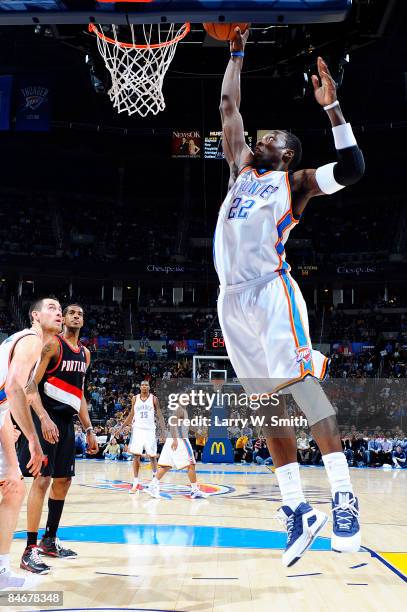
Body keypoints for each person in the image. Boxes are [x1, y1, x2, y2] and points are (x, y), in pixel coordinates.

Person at [215, 27, 364, 567]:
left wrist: (335, 110)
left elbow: (352, 170)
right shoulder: (240, 170)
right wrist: (235, 50)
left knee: (303, 389)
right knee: (265, 402)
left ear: (288, 151)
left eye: (273, 135)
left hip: (272, 292)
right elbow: (230, 104)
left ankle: (344, 495)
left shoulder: (294, 181)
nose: (262, 136)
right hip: (230, 301)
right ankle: (297, 509)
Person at [18, 303, 98, 574]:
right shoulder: (52, 345)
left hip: (66, 424)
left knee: (63, 481)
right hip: (46, 418)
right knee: (42, 481)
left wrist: (88, 430)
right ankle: (29, 550)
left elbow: (80, 395)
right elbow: (30, 387)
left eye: (81, 314)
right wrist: (43, 418)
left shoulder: (85, 354)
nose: (76, 316)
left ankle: (49, 540)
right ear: (63, 319)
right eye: (72, 313)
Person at [0, 297, 61, 589]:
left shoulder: (30, 346)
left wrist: (13, 463)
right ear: (35, 316)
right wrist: (33, 440)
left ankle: (1, 572)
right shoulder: (31, 340)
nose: (59, 312)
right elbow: (13, 387)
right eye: (52, 308)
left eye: (60, 309)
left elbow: (6, 402)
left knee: (14, 488)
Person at [143, 405, 206, 499]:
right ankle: (194, 490)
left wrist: (199, 431)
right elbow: (172, 424)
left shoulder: (183, 411)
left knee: (166, 466)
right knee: (191, 464)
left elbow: (188, 426)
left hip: (171, 439)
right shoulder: (179, 409)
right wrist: (175, 440)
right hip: (179, 440)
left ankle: (152, 485)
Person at [116, 381, 165, 494]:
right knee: (136, 456)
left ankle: (155, 481)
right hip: (137, 429)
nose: (144, 387)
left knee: (152, 456)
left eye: (146, 385)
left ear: (149, 387)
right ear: (140, 387)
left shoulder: (154, 399)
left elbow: (159, 415)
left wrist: (163, 431)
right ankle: (135, 482)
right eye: (142, 385)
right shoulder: (135, 398)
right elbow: (131, 414)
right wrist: (122, 427)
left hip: (150, 430)